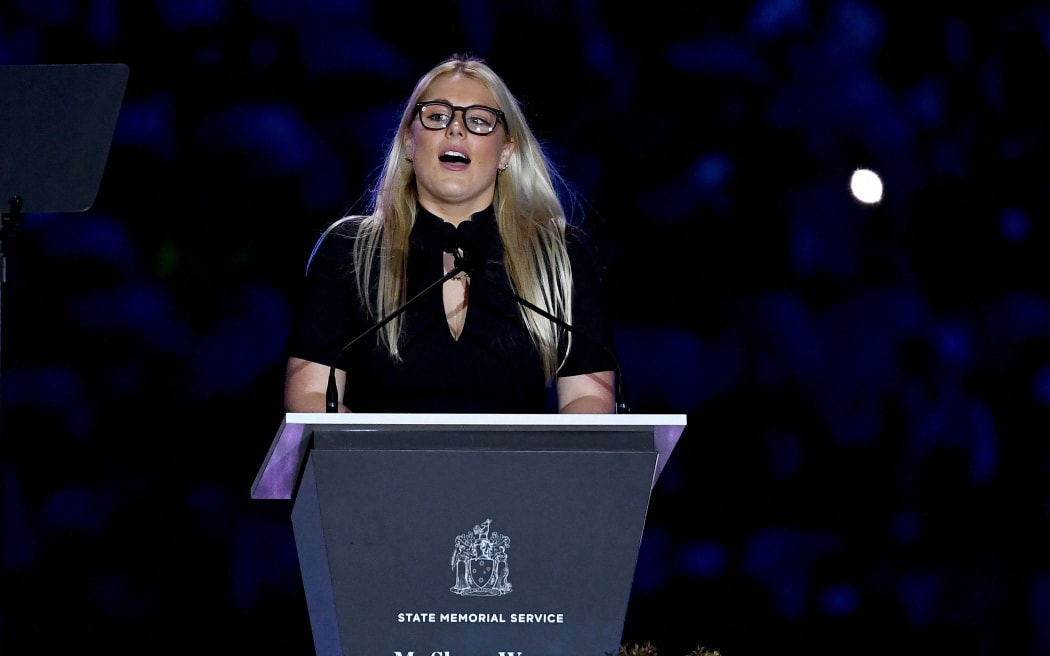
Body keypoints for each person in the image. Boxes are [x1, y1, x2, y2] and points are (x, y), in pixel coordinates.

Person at [283, 53, 618, 414]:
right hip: (383, 469)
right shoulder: (350, 251)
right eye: (437, 116)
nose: (455, 129)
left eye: (478, 121)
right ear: (410, 143)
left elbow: (589, 398)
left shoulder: (558, 256)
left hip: (517, 471)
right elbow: (312, 397)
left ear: (506, 151)